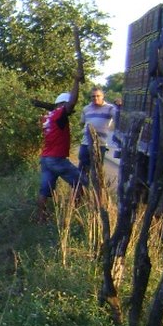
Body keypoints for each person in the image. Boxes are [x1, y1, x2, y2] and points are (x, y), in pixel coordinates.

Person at [35, 73, 82, 221]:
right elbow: (71, 103)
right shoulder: (59, 115)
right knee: (80, 183)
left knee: (45, 190)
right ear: (63, 105)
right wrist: (76, 81)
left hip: (46, 158)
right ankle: (73, 216)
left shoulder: (48, 117)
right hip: (57, 159)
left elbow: (56, 108)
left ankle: (41, 217)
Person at [78, 87, 118, 184]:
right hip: (85, 143)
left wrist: (119, 106)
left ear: (103, 96)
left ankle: (96, 195)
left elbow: (118, 117)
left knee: (97, 172)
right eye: (93, 96)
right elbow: (82, 123)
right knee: (82, 171)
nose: (95, 98)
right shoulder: (86, 109)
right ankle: (81, 194)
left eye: (98, 96)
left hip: (100, 144)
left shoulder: (109, 108)